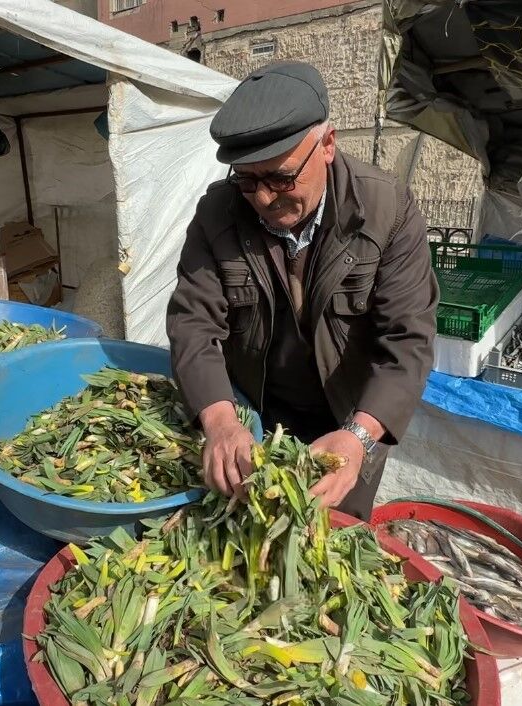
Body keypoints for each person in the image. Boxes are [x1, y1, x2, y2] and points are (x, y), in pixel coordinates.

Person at [166, 62, 439, 520]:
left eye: (281, 177)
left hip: (349, 419)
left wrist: (360, 437)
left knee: (329, 541)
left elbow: (408, 342)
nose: (265, 199)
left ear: (327, 144)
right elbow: (194, 321)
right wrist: (220, 421)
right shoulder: (218, 213)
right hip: (254, 411)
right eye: (248, 181)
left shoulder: (387, 210)